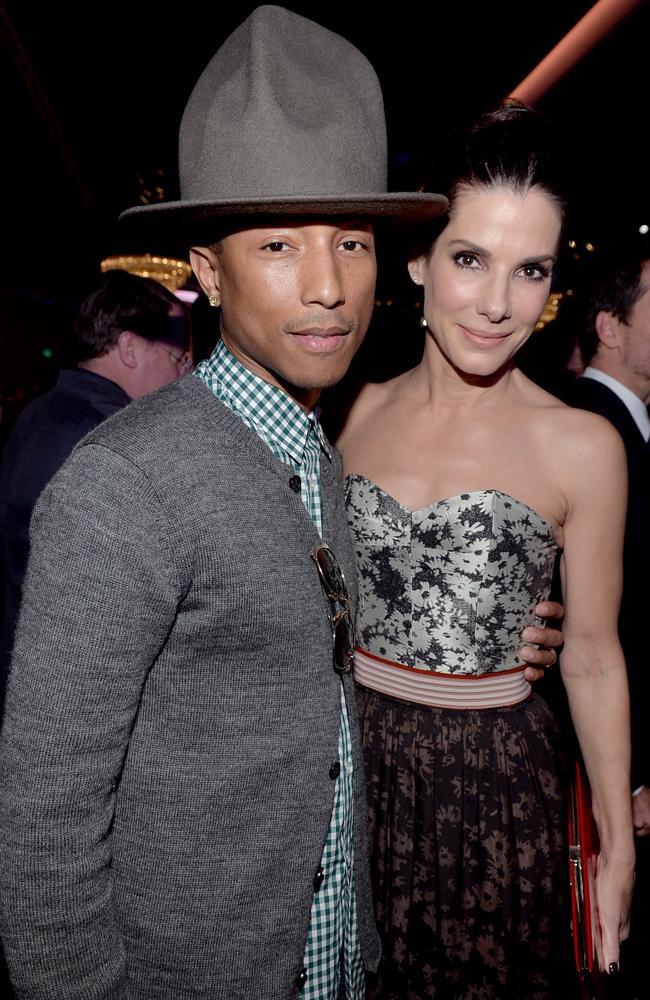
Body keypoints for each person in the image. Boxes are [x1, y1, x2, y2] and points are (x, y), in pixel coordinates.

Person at [0, 11, 563, 998]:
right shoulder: (122, 487)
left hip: (334, 963)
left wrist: (498, 630)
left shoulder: (320, 454)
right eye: (275, 246)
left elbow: (306, 671)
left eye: (349, 242)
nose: (325, 287)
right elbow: (45, 816)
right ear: (206, 274)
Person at [337, 104, 635, 998]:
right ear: (421, 260)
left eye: (531, 269)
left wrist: (617, 849)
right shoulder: (347, 413)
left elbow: (589, 658)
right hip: (347, 770)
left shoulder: (581, 444)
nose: (500, 304)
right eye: (471, 259)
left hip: (493, 793)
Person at [0, 269, 191, 710]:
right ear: (128, 347)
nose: (186, 375)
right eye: (178, 358)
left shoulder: (38, 411)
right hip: (77, 688)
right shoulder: (112, 435)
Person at [568, 250, 650, 996]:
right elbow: (596, 630)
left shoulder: (634, 429)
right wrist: (626, 780)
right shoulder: (590, 431)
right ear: (610, 327)